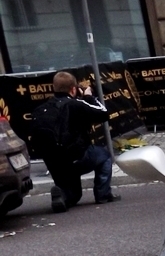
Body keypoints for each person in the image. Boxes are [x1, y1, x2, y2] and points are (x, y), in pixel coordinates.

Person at [29, 71, 119, 212]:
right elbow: (103, 113)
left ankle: (63, 195)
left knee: (74, 197)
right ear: (73, 89)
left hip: (54, 162)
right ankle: (103, 194)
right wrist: (89, 97)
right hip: (77, 156)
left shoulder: (41, 109)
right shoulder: (76, 105)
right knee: (105, 155)